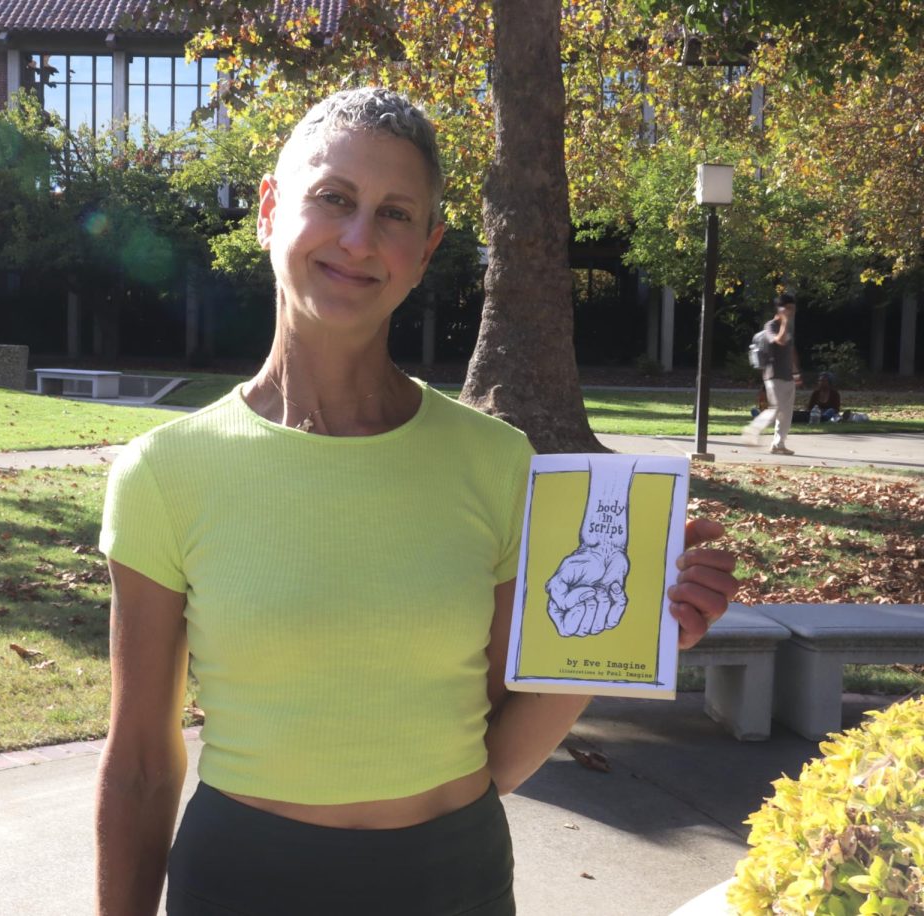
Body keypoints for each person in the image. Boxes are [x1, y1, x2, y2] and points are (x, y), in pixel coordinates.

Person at [95, 88, 740, 916]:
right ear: (269, 209)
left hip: (449, 875)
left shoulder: (495, 462)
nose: (360, 239)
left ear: (427, 247)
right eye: (334, 198)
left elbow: (503, 739)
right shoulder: (163, 471)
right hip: (244, 880)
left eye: (396, 214)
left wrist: (627, 627)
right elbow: (142, 766)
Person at [743, 293, 801, 454]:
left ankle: (778, 444)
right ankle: (753, 430)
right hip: (773, 375)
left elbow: (790, 351)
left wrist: (796, 373)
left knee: (786, 413)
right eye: (788, 308)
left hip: (788, 376)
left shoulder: (787, 326)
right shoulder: (771, 326)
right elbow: (779, 341)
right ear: (780, 308)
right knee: (776, 409)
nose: (791, 312)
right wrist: (784, 321)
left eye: (793, 309)